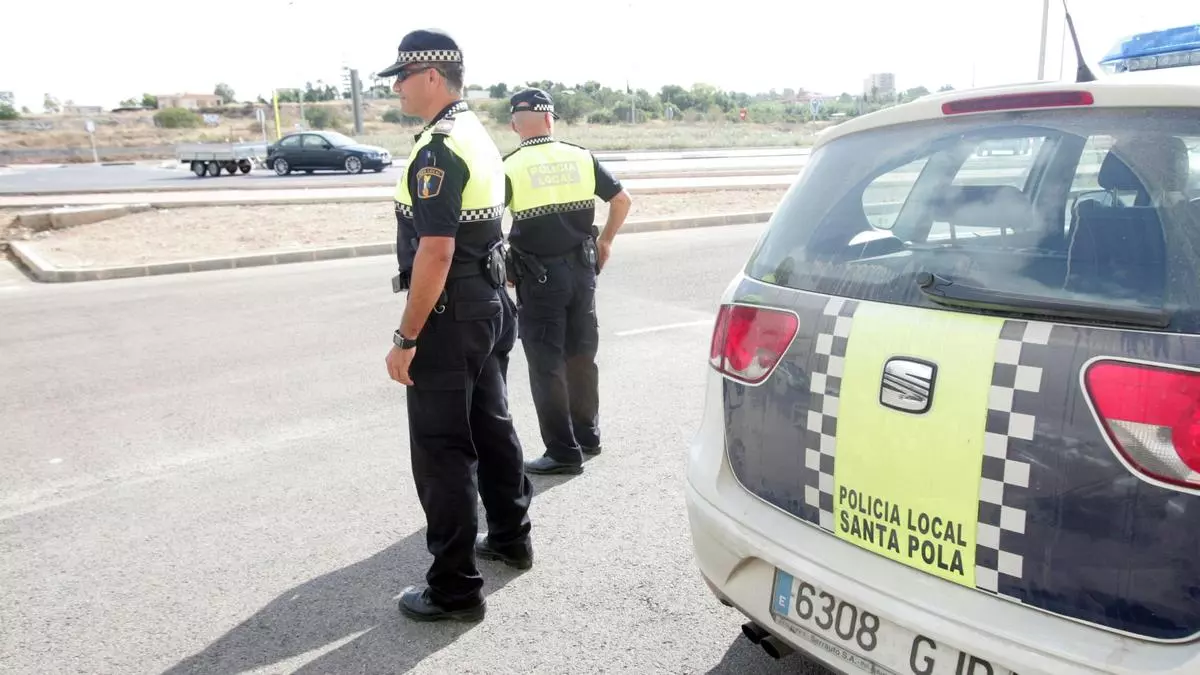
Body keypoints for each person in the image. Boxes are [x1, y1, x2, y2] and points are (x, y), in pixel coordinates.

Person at [379, 28, 534, 623]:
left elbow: (436, 252)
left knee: (442, 449)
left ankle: (454, 590)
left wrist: (406, 337)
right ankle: (511, 537)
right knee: (491, 426)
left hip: (449, 314)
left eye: (402, 75)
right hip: (489, 306)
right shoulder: (477, 133)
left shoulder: (438, 148)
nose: (396, 87)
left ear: (433, 77)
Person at [502, 87, 633, 476]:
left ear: (514, 124)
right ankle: (587, 435)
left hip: (539, 279)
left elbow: (491, 224)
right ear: (550, 119)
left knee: (546, 364)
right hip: (582, 273)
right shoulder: (581, 157)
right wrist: (605, 241)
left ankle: (562, 451)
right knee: (581, 355)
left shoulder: (509, 166)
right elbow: (622, 200)